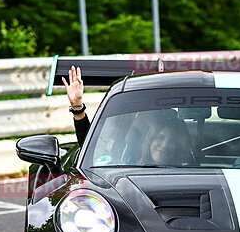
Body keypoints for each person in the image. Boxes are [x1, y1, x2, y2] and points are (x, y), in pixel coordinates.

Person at [62, 65, 190, 165]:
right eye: (160, 138)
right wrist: (77, 106)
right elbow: (89, 148)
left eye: (172, 141)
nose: (164, 145)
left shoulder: (187, 174)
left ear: (179, 147)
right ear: (150, 139)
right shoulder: (122, 163)